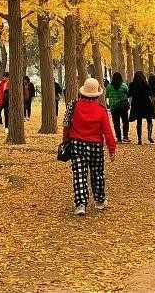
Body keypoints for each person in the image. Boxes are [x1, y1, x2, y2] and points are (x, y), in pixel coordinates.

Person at [63, 77, 116, 215]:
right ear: (97, 94)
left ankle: (81, 204)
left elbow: (66, 124)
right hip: (95, 146)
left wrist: (65, 141)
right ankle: (99, 200)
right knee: (97, 173)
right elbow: (107, 131)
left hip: (77, 144)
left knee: (79, 174)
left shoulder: (73, 105)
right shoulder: (101, 110)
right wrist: (112, 149)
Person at [128, 71, 155, 144]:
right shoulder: (146, 84)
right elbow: (150, 93)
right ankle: (149, 137)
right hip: (146, 104)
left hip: (137, 105)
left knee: (139, 122)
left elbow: (129, 94)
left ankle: (139, 139)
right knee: (149, 120)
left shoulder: (132, 85)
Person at [105, 71, 131, 143]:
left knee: (116, 123)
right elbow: (128, 94)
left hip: (114, 107)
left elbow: (107, 95)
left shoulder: (109, 87)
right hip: (123, 106)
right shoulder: (124, 86)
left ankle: (119, 138)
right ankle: (125, 137)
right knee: (125, 122)